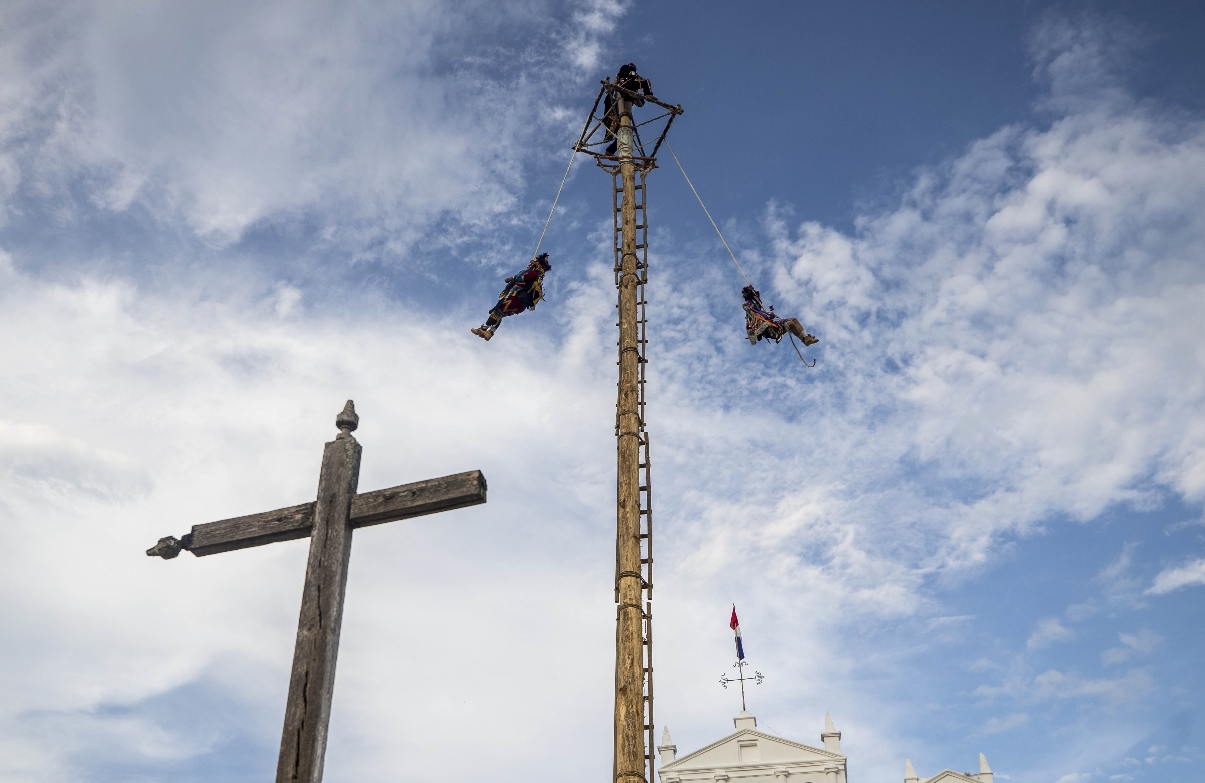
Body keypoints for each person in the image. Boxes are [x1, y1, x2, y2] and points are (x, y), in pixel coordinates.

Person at [471, 254, 552, 341]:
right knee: (500, 315)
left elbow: (525, 277)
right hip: (521, 306)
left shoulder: (534, 274)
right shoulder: (536, 279)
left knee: (497, 310)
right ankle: (489, 332)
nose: (530, 265)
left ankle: (483, 329)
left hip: (517, 299)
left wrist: (512, 278)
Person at [741, 285, 819, 347]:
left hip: (776, 325)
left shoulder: (761, 312)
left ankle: (806, 338)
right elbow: (752, 337)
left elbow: (757, 300)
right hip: (772, 331)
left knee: (794, 319)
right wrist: (752, 334)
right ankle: (805, 340)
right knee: (791, 324)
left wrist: (770, 316)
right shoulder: (751, 318)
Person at [604, 63, 655, 156]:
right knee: (646, 82)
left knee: (624, 134)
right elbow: (628, 74)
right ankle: (648, 94)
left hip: (626, 93)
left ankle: (610, 151)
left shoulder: (627, 76)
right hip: (625, 87)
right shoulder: (626, 70)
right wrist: (634, 73)